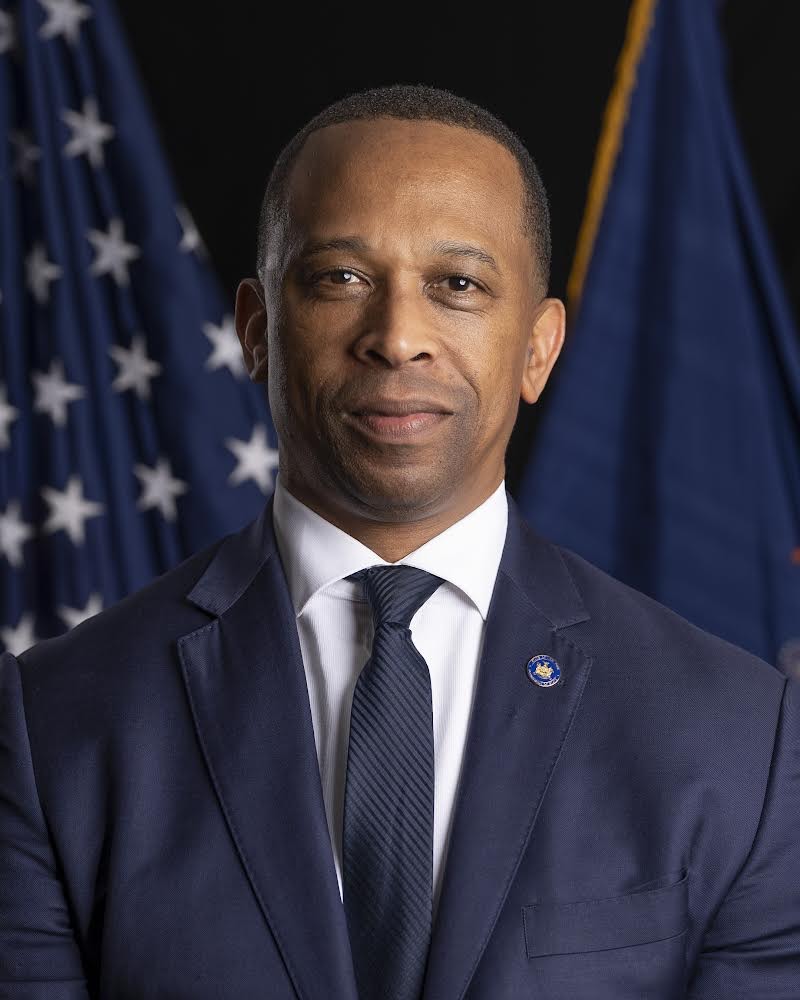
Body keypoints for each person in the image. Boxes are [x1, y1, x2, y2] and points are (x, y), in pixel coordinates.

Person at [1, 84, 798, 1000]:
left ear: (538, 349)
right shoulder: (53, 724)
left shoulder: (743, 740)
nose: (398, 337)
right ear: (257, 331)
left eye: (457, 285)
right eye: (341, 278)